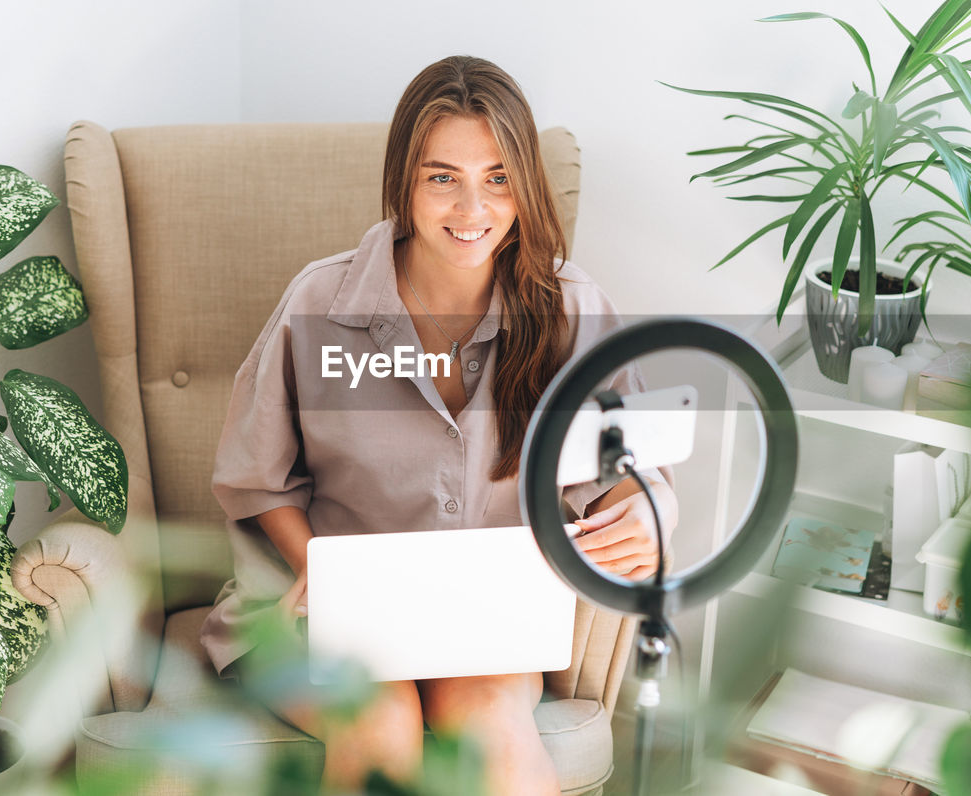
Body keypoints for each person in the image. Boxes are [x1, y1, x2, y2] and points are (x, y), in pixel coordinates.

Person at [199, 55, 677, 795]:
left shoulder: (572, 310)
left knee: (489, 722)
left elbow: (634, 474)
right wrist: (322, 574)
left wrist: (649, 514)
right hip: (312, 613)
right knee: (378, 720)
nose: (471, 208)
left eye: (497, 178)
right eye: (442, 177)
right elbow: (256, 484)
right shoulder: (319, 302)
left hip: (483, 623)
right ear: (404, 182)